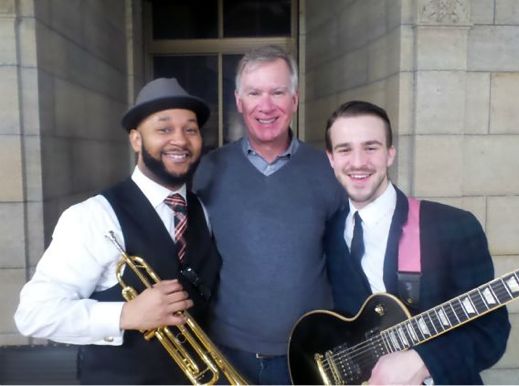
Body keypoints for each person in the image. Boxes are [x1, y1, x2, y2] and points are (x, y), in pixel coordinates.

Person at [14, 78, 221, 384]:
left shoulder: (200, 209)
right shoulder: (93, 216)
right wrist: (125, 315)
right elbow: (34, 315)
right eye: (163, 129)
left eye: (190, 129)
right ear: (136, 140)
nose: (180, 140)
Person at [324, 100, 511, 384]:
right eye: (345, 149)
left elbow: (491, 333)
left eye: (371, 147)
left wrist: (423, 361)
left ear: (390, 154)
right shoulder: (329, 231)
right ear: (331, 159)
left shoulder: (452, 226)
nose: (358, 161)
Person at [193, 45, 345, 385]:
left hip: (308, 354)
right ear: (239, 101)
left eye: (277, 92)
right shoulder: (207, 171)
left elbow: (346, 261)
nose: (266, 105)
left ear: (294, 99)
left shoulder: (329, 169)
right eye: (254, 93)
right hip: (227, 353)